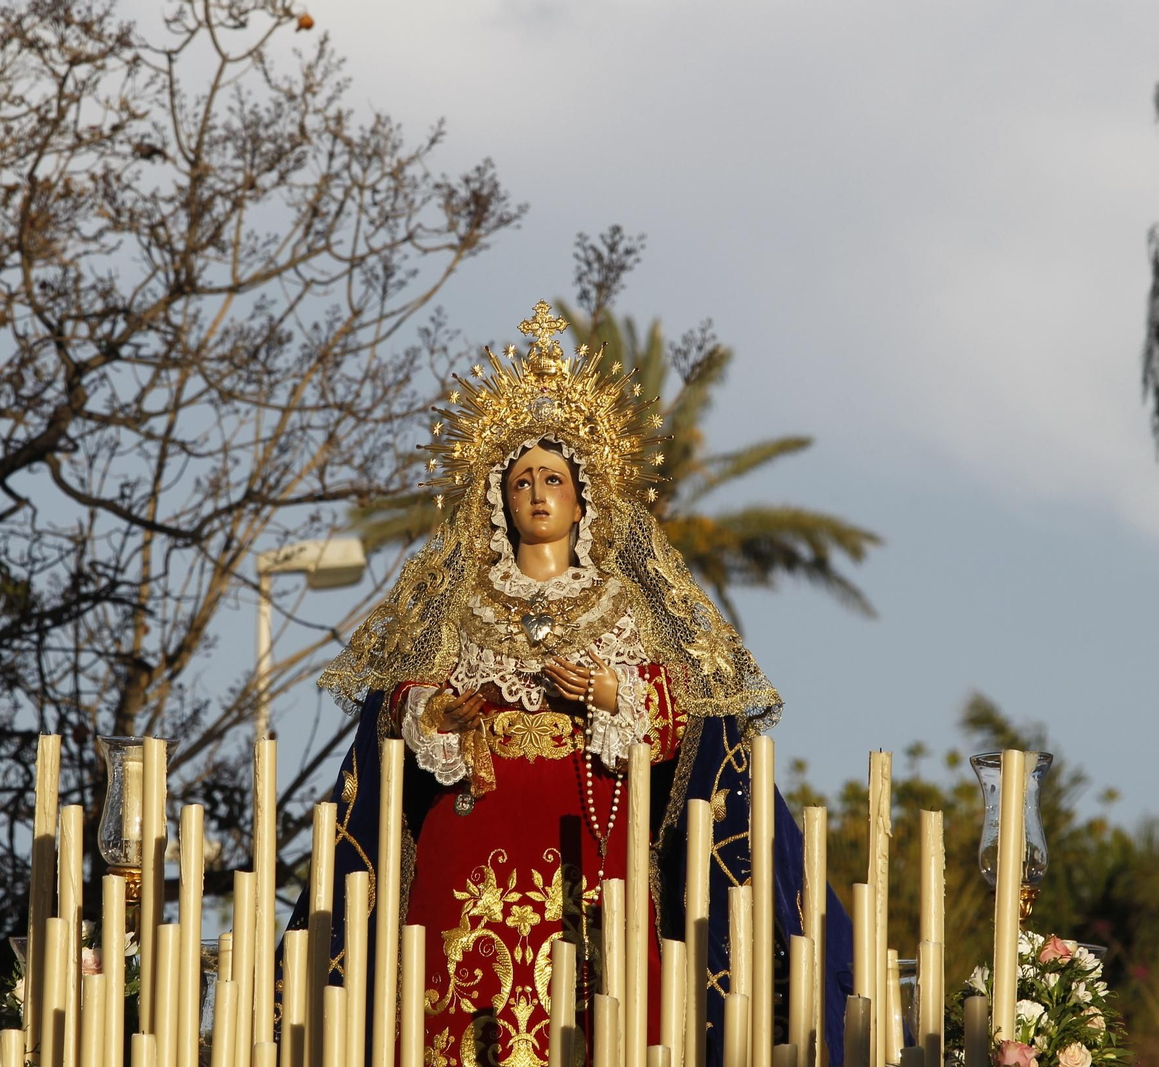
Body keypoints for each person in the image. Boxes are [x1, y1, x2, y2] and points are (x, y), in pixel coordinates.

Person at [301, 302, 854, 1066]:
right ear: (498, 500)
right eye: (521, 480)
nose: (537, 492)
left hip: (593, 846)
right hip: (469, 839)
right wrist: (437, 711)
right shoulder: (457, 604)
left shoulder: (627, 605)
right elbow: (395, 705)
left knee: (604, 1019)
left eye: (552, 478)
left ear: (582, 495)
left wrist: (610, 694)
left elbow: (689, 714)